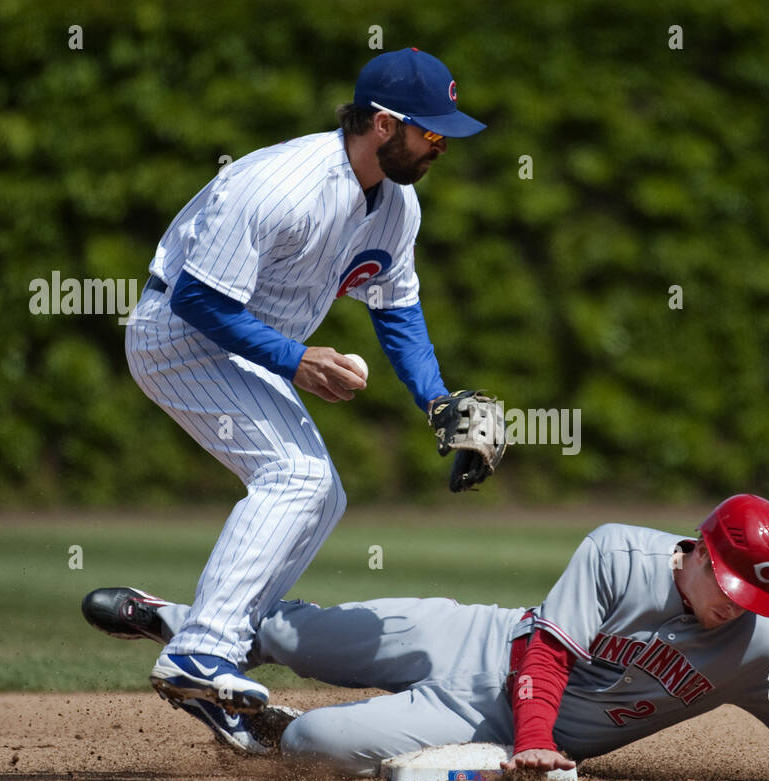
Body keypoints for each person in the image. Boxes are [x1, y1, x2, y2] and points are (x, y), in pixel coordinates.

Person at [119, 48, 496, 725]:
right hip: (176, 338)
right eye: (430, 131)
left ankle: (215, 657)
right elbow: (198, 301)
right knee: (295, 477)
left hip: (249, 352)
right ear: (383, 124)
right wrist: (296, 360)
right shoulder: (279, 184)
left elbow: (397, 310)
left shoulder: (397, 208)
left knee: (323, 497)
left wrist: (438, 402)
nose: (440, 145)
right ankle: (199, 651)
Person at [82, 495, 769, 781]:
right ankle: (180, 623)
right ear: (698, 551)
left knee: (311, 743)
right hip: (471, 638)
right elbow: (546, 652)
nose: (732, 607)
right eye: (725, 585)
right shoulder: (619, 551)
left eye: (750, 596)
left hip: (479, 726)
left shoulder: (757, 643)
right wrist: (540, 744)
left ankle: (259, 728)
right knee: (288, 632)